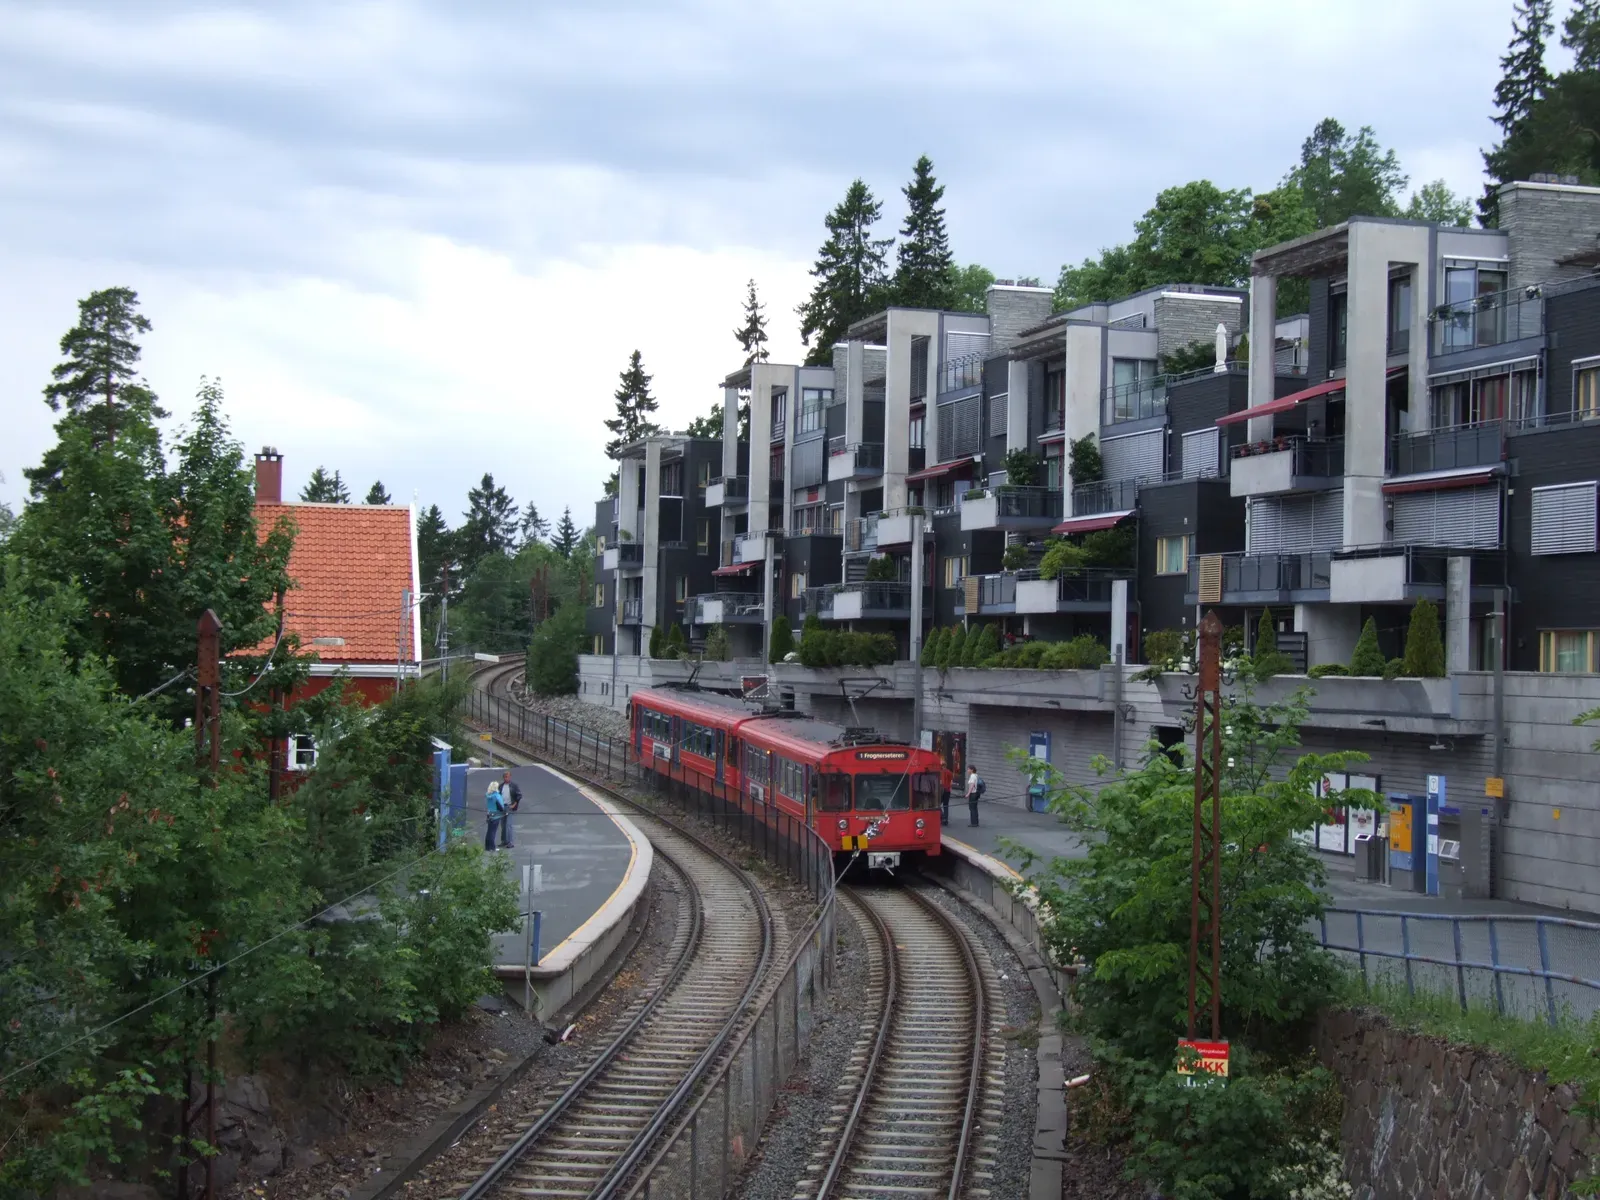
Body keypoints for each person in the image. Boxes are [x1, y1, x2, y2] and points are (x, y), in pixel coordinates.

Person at [500, 770, 522, 850]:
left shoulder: (514, 786)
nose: (506, 778)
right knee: (503, 825)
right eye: (505, 777)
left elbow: (519, 796)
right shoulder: (501, 786)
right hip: (502, 807)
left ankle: (510, 842)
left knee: (509, 825)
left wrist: (514, 805)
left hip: (510, 807)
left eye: (508, 777)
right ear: (503, 778)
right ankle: (504, 841)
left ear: (510, 777)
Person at [484, 779, 505, 852]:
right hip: (496, 815)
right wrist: (505, 812)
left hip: (489, 814)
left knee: (489, 831)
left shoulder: (488, 795)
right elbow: (501, 807)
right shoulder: (497, 796)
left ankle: (487, 846)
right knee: (493, 832)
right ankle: (492, 847)